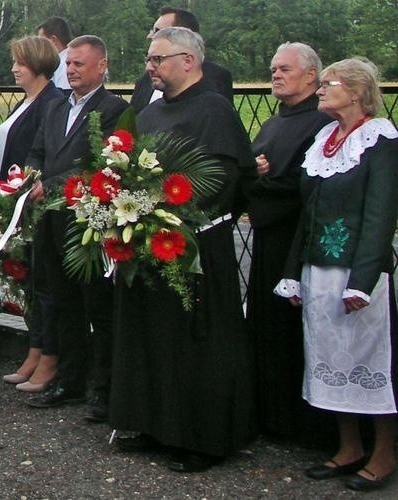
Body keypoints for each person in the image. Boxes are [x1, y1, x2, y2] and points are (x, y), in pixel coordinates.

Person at [109, 27, 256, 472]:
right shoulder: (150, 115)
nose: (149, 67)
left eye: (158, 59)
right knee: (153, 338)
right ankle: (154, 423)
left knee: (196, 342)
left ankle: (201, 437)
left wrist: (170, 215)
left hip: (195, 246)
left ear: (189, 61)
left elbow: (226, 179)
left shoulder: (215, 111)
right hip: (148, 242)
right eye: (149, 60)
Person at [275, 58, 398, 492]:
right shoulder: (324, 138)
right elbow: (307, 216)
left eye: (330, 84)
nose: (322, 90)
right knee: (329, 359)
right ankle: (349, 446)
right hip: (317, 272)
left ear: (358, 91)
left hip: (357, 275)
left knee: (370, 361)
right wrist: (293, 273)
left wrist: (362, 281)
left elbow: (381, 215)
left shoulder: (380, 139)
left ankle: (384, 452)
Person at [25, 35, 126, 422]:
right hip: (51, 220)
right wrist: (27, 176)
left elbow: (101, 163)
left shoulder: (114, 108)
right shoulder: (54, 107)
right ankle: (69, 379)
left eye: (79, 65)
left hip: (87, 224)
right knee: (61, 303)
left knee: (96, 307)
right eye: (68, 65)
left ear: (101, 66)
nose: (71, 71)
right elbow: (39, 152)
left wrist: (48, 186)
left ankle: (103, 390)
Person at [245, 43, 332, 439]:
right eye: (272, 68)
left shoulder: (320, 122)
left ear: (312, 76)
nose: (275, 74)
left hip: (295, 237)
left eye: (284, 69)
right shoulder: (274, 121)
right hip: (267, 235)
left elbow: (305, 183)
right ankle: (271, 414)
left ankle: (304, 422)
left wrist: (262, 178)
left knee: (293, 329)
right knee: (267, 326)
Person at [0, 36, 63, 390]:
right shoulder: (27, 101)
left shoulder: (51, 102)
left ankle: (44, 353)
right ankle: (34, 349)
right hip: (16, 200)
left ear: (36, 63)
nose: (13, 69)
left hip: (34, 203)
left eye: (19, 62)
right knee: (28, 282)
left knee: (40, 281)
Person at [130, 7, 233, 114]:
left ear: (183, 34)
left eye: (158, 31)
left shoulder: (216, 78)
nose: (150, 36)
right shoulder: (145, 81)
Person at [37, 16, 72, 91]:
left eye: (41, 41)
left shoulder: (65, 65)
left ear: (53, 40)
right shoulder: (61, 62)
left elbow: (62, 97)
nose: (38, 46)